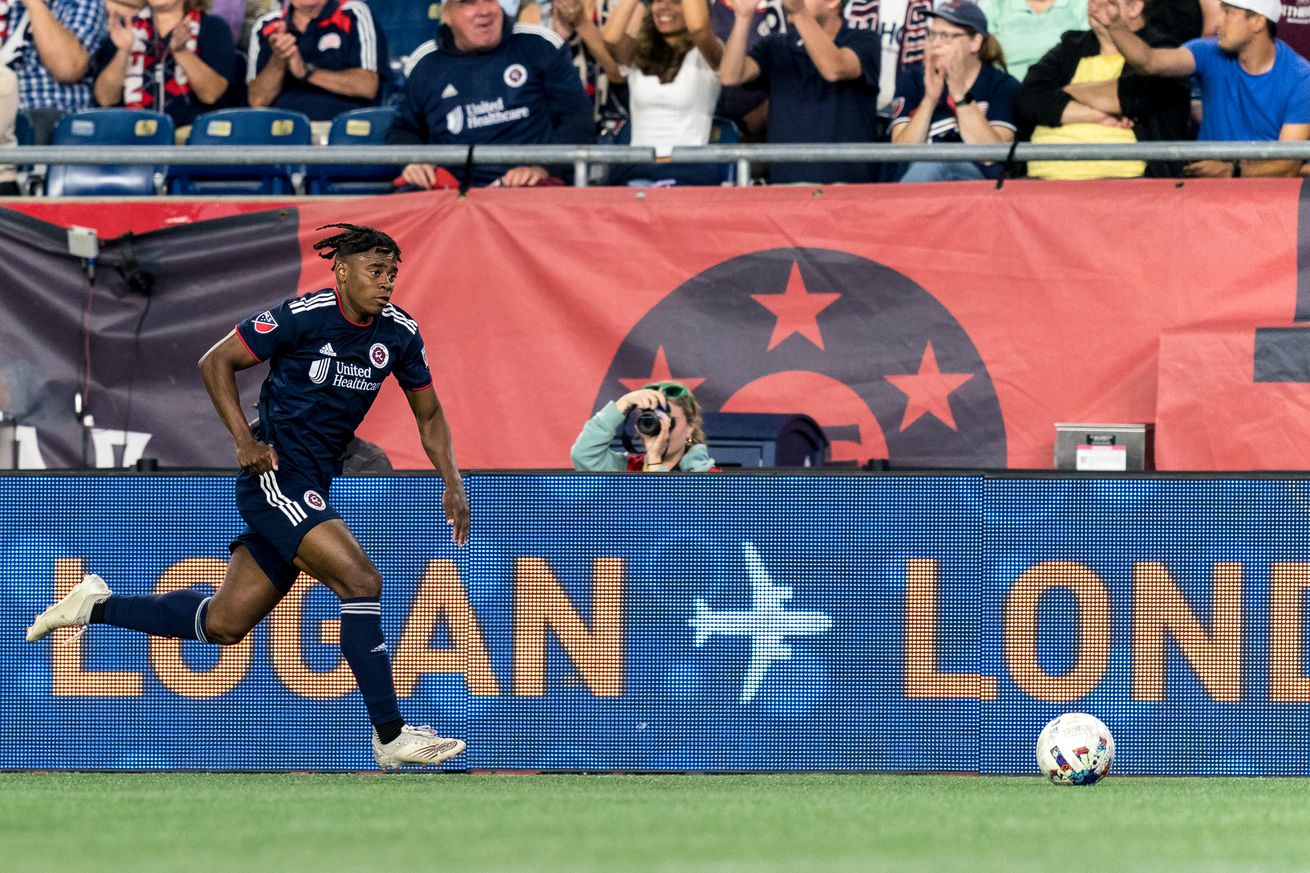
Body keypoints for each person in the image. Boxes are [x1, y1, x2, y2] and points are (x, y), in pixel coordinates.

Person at [25, 224, 471, 772]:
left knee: (224, 625)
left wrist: (451, 480)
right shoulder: (301, 317)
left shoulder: (399, 334)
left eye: (392, 274)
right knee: (362, 582)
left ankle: (93, 605)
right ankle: (392, 735)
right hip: (276, 477)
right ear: (342, 272)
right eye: (375, 273)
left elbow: (429, 413)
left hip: (313, 482)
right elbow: (215, 361)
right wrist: (244, 441)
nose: (386, 284)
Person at [385, 0, 594, 189]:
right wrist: (413, 161)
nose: (484, 11)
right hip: (454, 190)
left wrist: (544, 167)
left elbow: (576, 116)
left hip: (527, 185)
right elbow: (403, 129)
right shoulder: (426, 64)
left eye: (490, 0)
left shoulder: (539, 45)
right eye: (469, 3)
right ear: (447, 15)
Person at [1094, 0, 1310, 176]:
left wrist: (1231, 171)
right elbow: (1149, 62)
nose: (1217, 22)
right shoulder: (1209, 51)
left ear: (1257, 21)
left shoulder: (1301, 77)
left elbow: (1287, 163)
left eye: (1228, 13)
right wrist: (1115, 26)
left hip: (1265, 197)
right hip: (1204, 189)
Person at [1018, 0, 1190, 179]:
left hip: (1130, 185)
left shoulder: (1161, 52)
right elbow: (1030, 96)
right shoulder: (1071, 46)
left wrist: (1066, 91)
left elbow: (1131, 97)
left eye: (1108, 2)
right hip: (1041, 181)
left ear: (1134, 8)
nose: (1094, 5)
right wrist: (1098, 116)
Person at [719, 0, 882, 184]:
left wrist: (799, 11)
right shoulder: (776, 45)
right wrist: (743, 17)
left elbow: (834, 69)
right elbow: (730, 76)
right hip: (787, 195)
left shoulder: (864, 39)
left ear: (833, 2)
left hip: (848, 196)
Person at [889, 0, 1020, 181]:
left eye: (946, 36)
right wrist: (929, 100)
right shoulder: (913, 80)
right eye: (932, 34)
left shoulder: (1002, 85)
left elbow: (991, 155)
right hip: (919, 186)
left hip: (979, 188)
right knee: (933, 162)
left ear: (975, 42)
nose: (936, 44)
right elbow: (902, 154)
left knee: (941, 160)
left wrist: (959, 94)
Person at [603, 0, 725, 184]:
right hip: (636, 169)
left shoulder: (707, 54)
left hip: (688, 172)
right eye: (658, 1)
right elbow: (611, 38)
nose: (664, 7)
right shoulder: (638, 53)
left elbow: (699, 27)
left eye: (676, 2)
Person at [93, 0, 234, 130]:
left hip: (192, 144)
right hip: (132, 139)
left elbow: (211, 94)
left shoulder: (213, 27)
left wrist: (182, 52)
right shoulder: (126, 28)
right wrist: (123, 52)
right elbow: (105, 99)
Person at [247, 0, 385, 129]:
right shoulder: (267, 25)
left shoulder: (353, 13)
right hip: (284, 133)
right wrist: (278, 60)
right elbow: (257, 101)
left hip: (344, 130)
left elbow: (368, 86)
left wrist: (307, 72)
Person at [0, 0, 107, 143]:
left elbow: (67, 68)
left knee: (39, 120)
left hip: (49, 120)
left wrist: (34, 4)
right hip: (5, 115)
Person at [571, 382, 717, 471]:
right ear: (639, 428)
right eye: (652, 421)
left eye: (670, 421)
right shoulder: (628, 468)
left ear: (690, 429)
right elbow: (583, 455)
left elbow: (665, 516)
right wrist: (622, 403)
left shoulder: (709, 478)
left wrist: (655, 461)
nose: (662, 428)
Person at [977, 0, 1088, 82]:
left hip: (1061, 89)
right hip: (1005, 89)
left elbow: (1091, 48)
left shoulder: (1080, 4)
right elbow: (980, 47)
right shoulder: (996, 4)